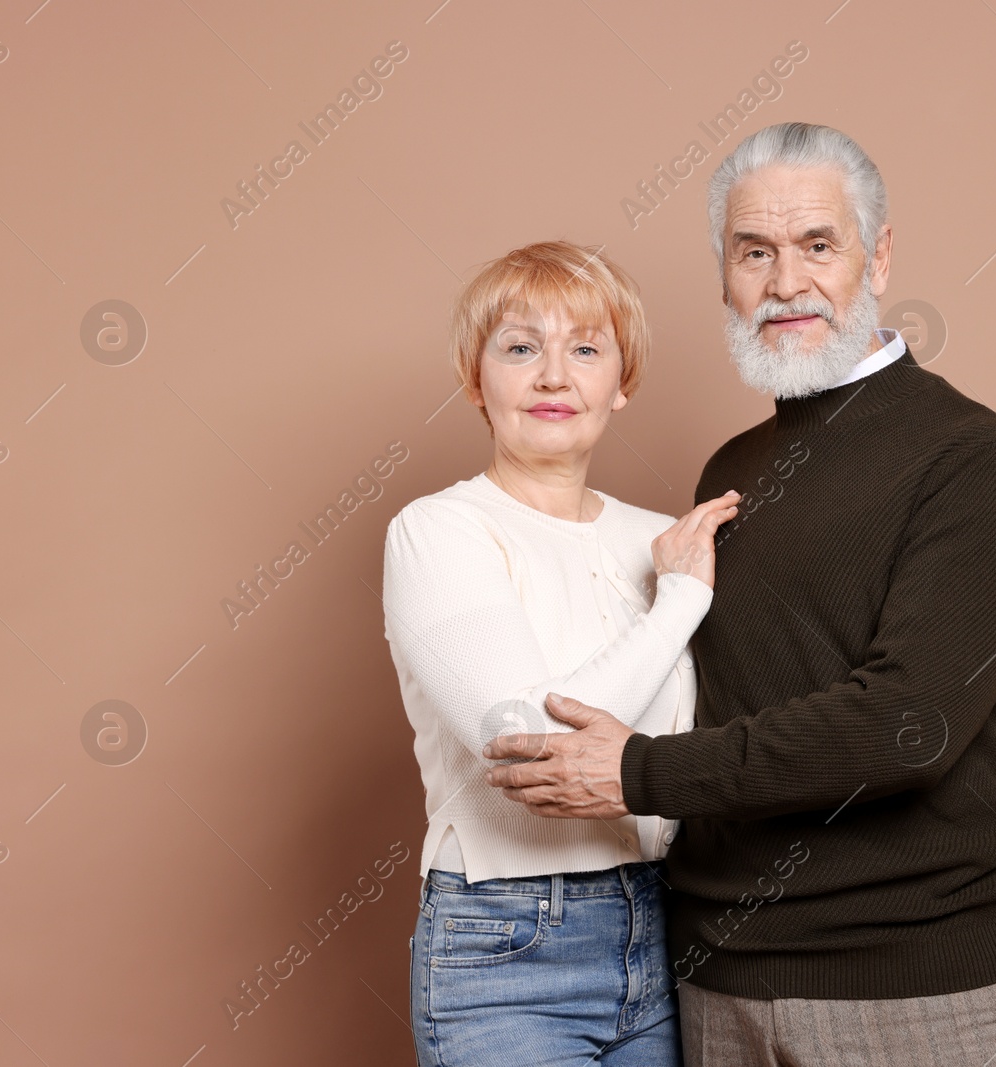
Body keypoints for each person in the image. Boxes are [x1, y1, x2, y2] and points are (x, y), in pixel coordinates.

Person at [486, 123, 996, 1067]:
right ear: (724, 275)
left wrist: (636, 771)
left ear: (878, 256)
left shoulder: (973, 458)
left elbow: (906, 723)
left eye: (817, 246)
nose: (785, 282)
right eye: (754, 252)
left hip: (913, 984)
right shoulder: (734, 470)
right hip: (717, 981)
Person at [381, 240, 739, 1066]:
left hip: (663, 931)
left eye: (585, 348)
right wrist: (680, 599)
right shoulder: (439, 531)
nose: (553, 376)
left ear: (623, 381)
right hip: (505, 950)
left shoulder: (662, 537)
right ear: (478, 380)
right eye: (519, 347)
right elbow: (523, 742)